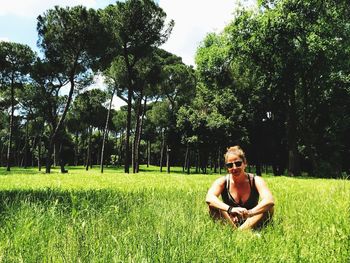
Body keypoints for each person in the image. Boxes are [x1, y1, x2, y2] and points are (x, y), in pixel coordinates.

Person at [206, 146, 274, 230]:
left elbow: (269, 200)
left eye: (238, 164)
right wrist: (230, 209)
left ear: (245, 163)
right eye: (230, 165)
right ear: (227, 168)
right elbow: (209, 198)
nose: (234, 168)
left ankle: (238, 233)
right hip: (230, 221)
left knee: (268, 208)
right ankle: (239, 232)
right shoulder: (223, 181)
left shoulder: (256, 180)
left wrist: (250, 213)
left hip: (252, 219)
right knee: (212, 207)